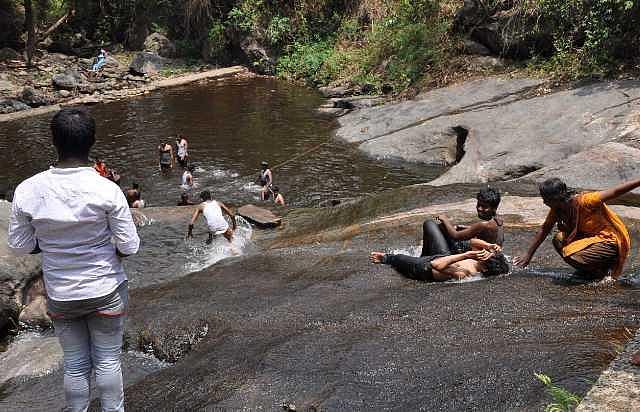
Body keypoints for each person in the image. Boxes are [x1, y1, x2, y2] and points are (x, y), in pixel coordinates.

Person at [7, 108, 139, 411]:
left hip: (61, 293)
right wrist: (114, 253)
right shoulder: (107, 189)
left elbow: (20, 244)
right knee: (108, 359)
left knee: (76, 363)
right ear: (92, 141)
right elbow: (130, 245)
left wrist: (49, 244)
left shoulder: (28, 189)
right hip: (105, 289)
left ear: (54, 141)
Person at [514, 177, 636, 280]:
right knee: (558, 239)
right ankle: (590, 271)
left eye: (546, 199)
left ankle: (601, 273)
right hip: (591, 240)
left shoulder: (586, 201)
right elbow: (545, 229)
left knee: (571, 254)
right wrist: (528, 255)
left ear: (556, 198)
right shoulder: (557, 209)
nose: (544, 202)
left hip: (609, 241)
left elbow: (615, 191)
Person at [370, 238, 509, 282]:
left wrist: (466, 255)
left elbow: (435, 264)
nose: (484, 253)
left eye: (487, 255)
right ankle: (424, 251)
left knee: (398, 258)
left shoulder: (466, 274)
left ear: (484, 268)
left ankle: (385, 258)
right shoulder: (478, 261)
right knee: (430, 224)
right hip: (440, 256)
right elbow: (472, 242)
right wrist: (488, 245)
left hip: (424, 268)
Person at [435, 187, 504, 253]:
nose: (479, 208)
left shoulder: (484, 224)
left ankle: (438, 256)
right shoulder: (499, 220)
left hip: (482, 255)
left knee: (435, 226)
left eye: (484, 207)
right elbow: (487, 232)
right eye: (478, 204)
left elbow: (456, 236)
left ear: (494, 208)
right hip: (493, 252)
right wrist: (469, 228)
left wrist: (445, 220)